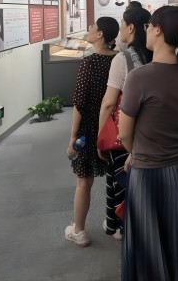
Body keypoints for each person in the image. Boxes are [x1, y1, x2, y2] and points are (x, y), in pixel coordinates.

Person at [118, 6, 178, 280]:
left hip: (150, 172)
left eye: (149, 26)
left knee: (149, 239)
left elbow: (124, 133)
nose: (147, 30)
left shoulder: (139, 77)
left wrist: (135, 152)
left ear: (158, 30)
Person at [97, 8, 152, 241]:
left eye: (122, 24)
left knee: (120, 176)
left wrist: (101, 135)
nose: (120, 29)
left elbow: (109, 102)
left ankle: (120, 224)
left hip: (126, 130)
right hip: (152, 130)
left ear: (130, 28)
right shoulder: (156, 55)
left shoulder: (123, 59)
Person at [64, 18, 119, 247]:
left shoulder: (89, 62)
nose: (89, 30)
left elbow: (79, 103)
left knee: (83, 182)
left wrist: (73, 136)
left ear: (100, 34)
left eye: (92, 27)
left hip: (89, 127)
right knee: (117, 178)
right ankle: (118, 226)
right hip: (114, 126)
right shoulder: (119, 59)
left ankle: (79, 231)